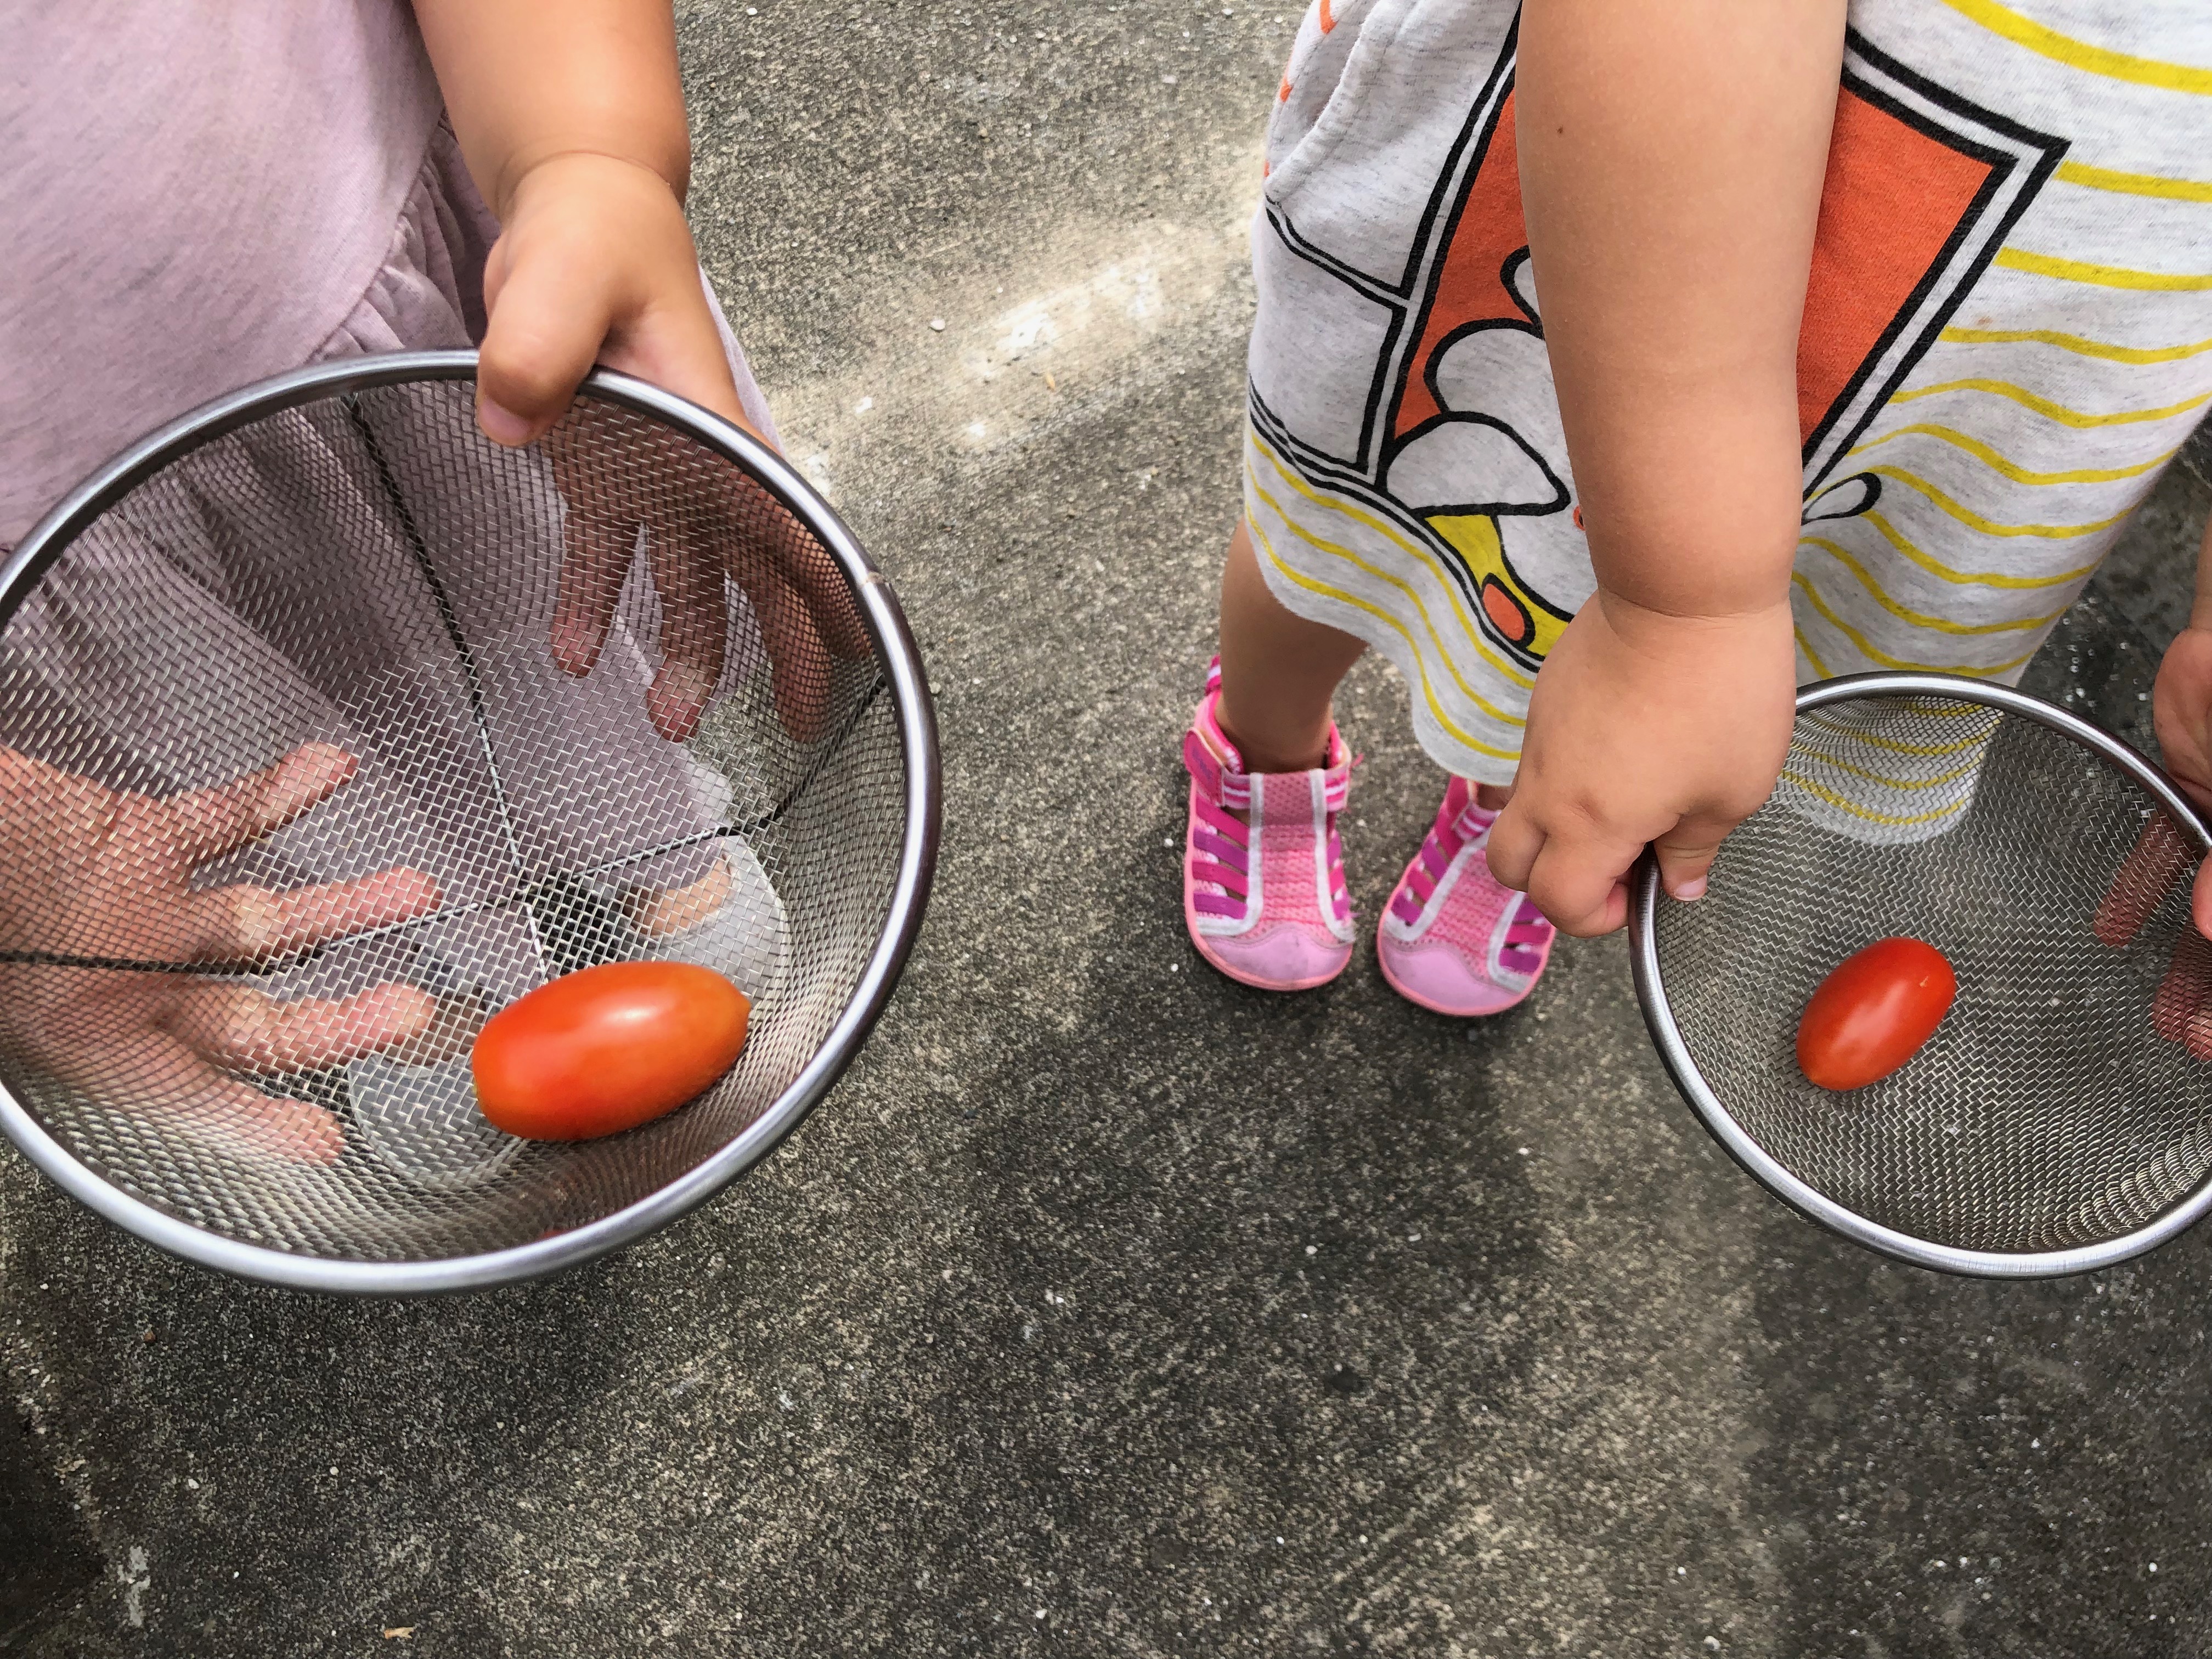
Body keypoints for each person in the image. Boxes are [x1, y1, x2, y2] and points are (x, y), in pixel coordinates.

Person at [1184, 0, 2212, 1028]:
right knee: (1354, 532)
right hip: (1599, 221)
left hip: (1936, 413)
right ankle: (1264, 750)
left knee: (1569, 661)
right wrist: (1687, 607)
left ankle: (1521, 800)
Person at [0, 2, 828, 1161]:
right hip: (58, 559)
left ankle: (649, 842)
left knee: (531, 624)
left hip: (367, 287)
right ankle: (415, 988)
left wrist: (582, 154)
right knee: (232, 793)